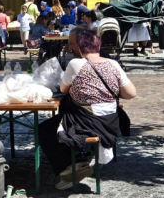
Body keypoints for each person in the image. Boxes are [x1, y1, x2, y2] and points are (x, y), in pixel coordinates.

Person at [39, 29, 135, 190]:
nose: (70, 49)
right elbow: (131, 93)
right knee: (61, 122)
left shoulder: (76, 64)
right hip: (111, 121)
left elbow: (63, 89)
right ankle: (78, 162)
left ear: (80, 46)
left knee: (44, 129)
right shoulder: (113, 64)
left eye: (71, 45)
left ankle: (73, 166)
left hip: (87, 121)